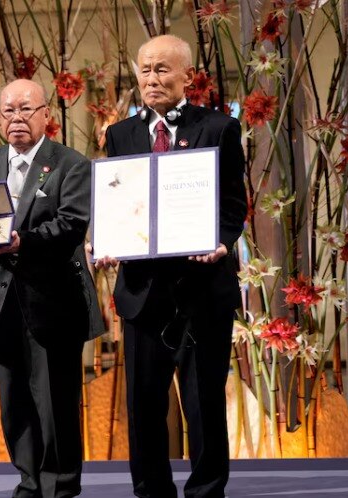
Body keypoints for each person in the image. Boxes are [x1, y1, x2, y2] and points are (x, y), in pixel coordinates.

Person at [93, 35, 247, 498]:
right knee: (143, 404)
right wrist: (107, 240)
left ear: (187, 76)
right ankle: (151, 490)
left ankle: (206, 490)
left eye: (163, 69)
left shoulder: (217, 128)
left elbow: (234, 205)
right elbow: (118, 202)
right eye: (145, 69)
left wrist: (220, 242)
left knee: (202, 403)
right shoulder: (120, 134)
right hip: (141, 292)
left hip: (200, 289)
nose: (152, 78)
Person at [0, 79, 103, 498]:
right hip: (1, 301)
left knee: (55, 401)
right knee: (15, 401)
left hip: (53, 299)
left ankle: (61, 485)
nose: (17, 118)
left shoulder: (70, 163)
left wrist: (23, 242)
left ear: (46, 115)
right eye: (8, 111)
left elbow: (71, 224)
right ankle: (29, 481)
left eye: (26, 109)